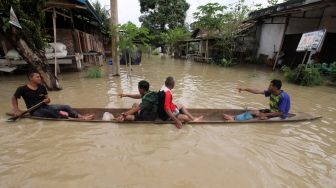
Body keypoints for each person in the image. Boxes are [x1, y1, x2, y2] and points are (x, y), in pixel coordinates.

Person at [12, 69, 93, 120]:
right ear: (30, 78)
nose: (40, 78)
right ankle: (76, 118)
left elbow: (47, 101)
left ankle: (79, 116)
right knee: (53, 111)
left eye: (39, 77)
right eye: (37, 77)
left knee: (66, 106)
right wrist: (16, 110)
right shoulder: (22, 89)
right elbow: (14, 98)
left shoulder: (42, 87)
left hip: (45, 106)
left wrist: (47, 100)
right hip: (34, 111)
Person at [223, 79, 291, 121]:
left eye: (270, 86)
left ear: (275, 87)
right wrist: (245, 89)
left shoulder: (283, 97)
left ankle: (235, 120)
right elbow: (257, 91)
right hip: (273, 112)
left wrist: (265, 115)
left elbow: (280, 113)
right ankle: (234, 117)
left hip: (280, 116)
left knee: (260, 117)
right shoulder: (271, 92)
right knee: (254, 111)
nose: (268, 87)